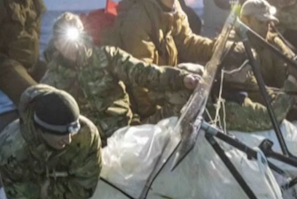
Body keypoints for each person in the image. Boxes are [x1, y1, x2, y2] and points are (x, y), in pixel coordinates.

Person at [41, 13, 201, 143]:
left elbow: (143, 73)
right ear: (56, 43)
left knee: (183, 97)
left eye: (74, 38)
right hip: (88, 145)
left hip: (126, 132)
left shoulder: (107, 56)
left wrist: (181, 78)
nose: (71, 46)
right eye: (63, 40)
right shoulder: (52, 79)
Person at [107, 0, 234, 121]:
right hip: (143, 93)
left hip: (163, 79)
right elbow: (140, 76)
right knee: (182, 94)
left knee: (199, 75)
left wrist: (219, 48)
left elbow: (188, 42)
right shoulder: (137, 19)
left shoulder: (173, 10)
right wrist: (151, 117)